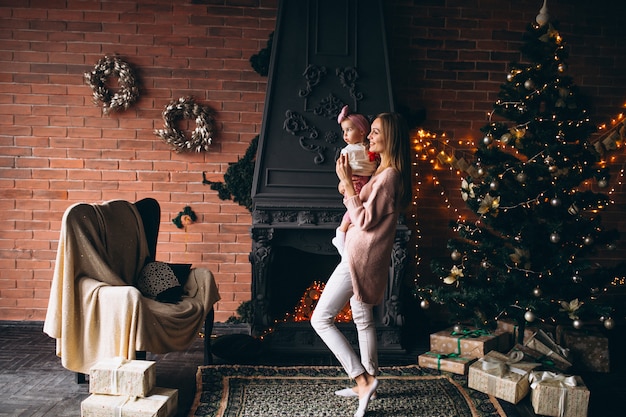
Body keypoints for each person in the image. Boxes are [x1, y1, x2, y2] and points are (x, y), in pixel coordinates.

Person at [311, 112, 412, 417]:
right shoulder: (383, 172)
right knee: (362, 319)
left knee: (321, 319)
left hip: (359, 256)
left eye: (376, 132)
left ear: (390, 138)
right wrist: (351, 189)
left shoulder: (389, 176)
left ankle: (362, 378)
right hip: (363, 255)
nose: (369, 136)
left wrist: (347, 185)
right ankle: (367, 385)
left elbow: (365, 221)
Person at [332, 105, 378, 255]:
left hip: (366, 180)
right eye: (343, 131)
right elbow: (341, 168)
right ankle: (341, 231)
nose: (345, 135)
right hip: (354, 180)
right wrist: (344, 183)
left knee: (360, 206)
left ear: (362, 131)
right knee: (355, 206)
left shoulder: (368, 148)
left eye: (349, 130)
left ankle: (345, 231)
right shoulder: (347, 150)